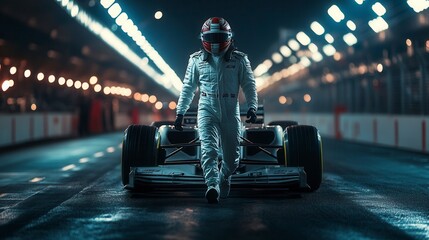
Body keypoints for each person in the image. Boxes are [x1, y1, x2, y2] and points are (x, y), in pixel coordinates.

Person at [174, 17, 258, 203]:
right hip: (206, 109)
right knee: (209, 150)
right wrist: (180, 112)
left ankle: (223, 178)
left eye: (218, 36)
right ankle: (212, 186)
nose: (214, 41)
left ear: (228, 37)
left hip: (231, 110)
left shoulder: (240, 59)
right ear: (203, 37)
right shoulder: (195, 60)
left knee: (232, 157)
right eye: (211, 37)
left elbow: (249, 85)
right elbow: (188, 87)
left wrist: (252, 106)